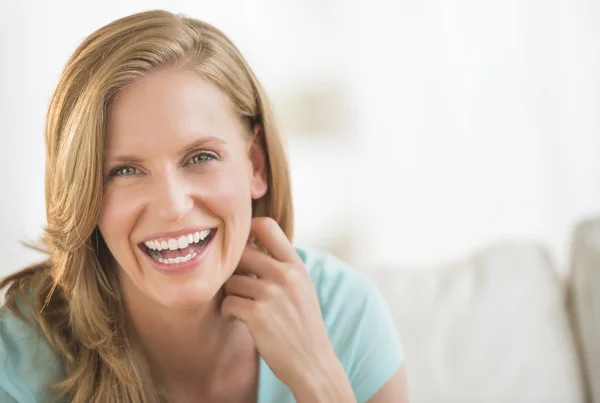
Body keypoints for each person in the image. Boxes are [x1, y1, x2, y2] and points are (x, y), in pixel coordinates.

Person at [0, 9, 407, 403]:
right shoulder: (16, 359)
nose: (173, 206)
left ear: (255, 165)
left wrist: (318, 379)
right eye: (124, 170)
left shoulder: (345, 317)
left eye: (200, 158)